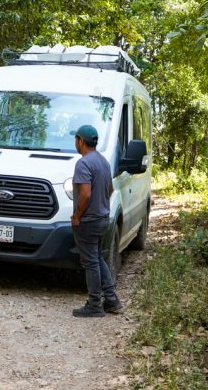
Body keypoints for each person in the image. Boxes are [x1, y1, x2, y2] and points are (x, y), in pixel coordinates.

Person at [70, 124, 122, 317]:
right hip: (102, 219)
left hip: (88, 221)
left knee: (91, 262)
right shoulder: (103, 161)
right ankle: (111, 300)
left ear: (81, 141)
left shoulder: (83, 163)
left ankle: (94, 305)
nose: (75, 143)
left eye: (76, 139)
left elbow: (85, 194)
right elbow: (109, 190)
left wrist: (77, 216)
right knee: (97, 258)